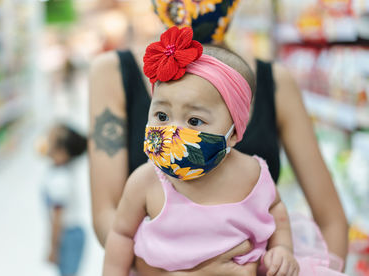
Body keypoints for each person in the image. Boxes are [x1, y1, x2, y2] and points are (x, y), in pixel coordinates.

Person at [88, 0, 348, 274]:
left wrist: (284, 253)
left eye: (195, 120)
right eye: (162, 116)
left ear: (235, 132)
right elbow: (113, 221)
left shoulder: (277, 85)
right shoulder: (113, 74)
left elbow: (326, 219)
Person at [38, 124, 87, 276]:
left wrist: (53, 248)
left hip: (68, 235)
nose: (44, 143)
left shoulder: (60, 181)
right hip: (69, 233)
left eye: (49, 140)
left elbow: (58, 218)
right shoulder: (60, 169)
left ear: (61, 153)